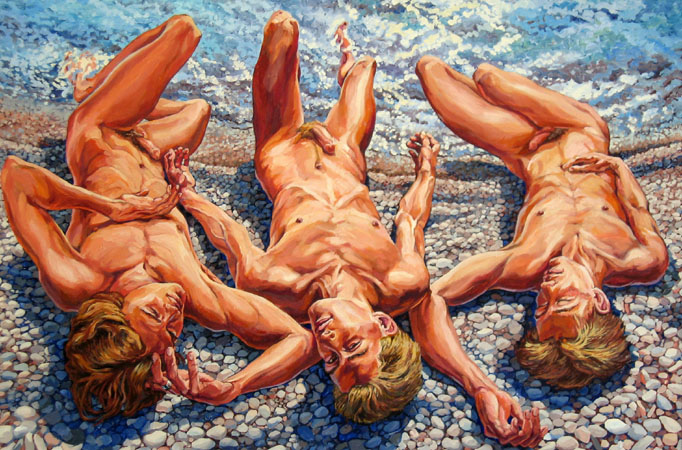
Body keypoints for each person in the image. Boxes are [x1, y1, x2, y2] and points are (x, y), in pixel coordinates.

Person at [159, 11, 545, 447]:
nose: (329, 344)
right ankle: (346, 63)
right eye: (353, 347)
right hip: (345, 155)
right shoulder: (402, 281)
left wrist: (189, 195)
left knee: (283, 27)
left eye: (330, 362)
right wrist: (426, 172)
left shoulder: (275, 285)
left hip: (282, 151)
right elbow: (410, 220)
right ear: (383, 325)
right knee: (364, 67)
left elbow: (231, 237)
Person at [1, 15, 318, 421]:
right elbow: (298, 339)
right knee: (199, 110)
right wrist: (235, 386)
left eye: (153, 314)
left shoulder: (78, 282)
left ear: (114, 317)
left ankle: (94, 88)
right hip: (155, 153)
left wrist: (109, 207)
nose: (172, 311)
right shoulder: (200, 298)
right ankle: (122, 96)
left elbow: (16, 177)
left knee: (184, 31)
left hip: (101, 133)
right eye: (172, 331)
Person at [416, 56, 669, 389]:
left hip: (525, 149)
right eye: (562, 301)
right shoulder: (644, 261)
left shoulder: (523, 264)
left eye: (541, 307)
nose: (548, 289)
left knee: (429, 69)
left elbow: (430, 298)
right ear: (599, 300)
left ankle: (520, 117)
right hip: (580, 128)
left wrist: (478, 386)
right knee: (489, 78)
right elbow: (639, 211)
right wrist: (618, 168)